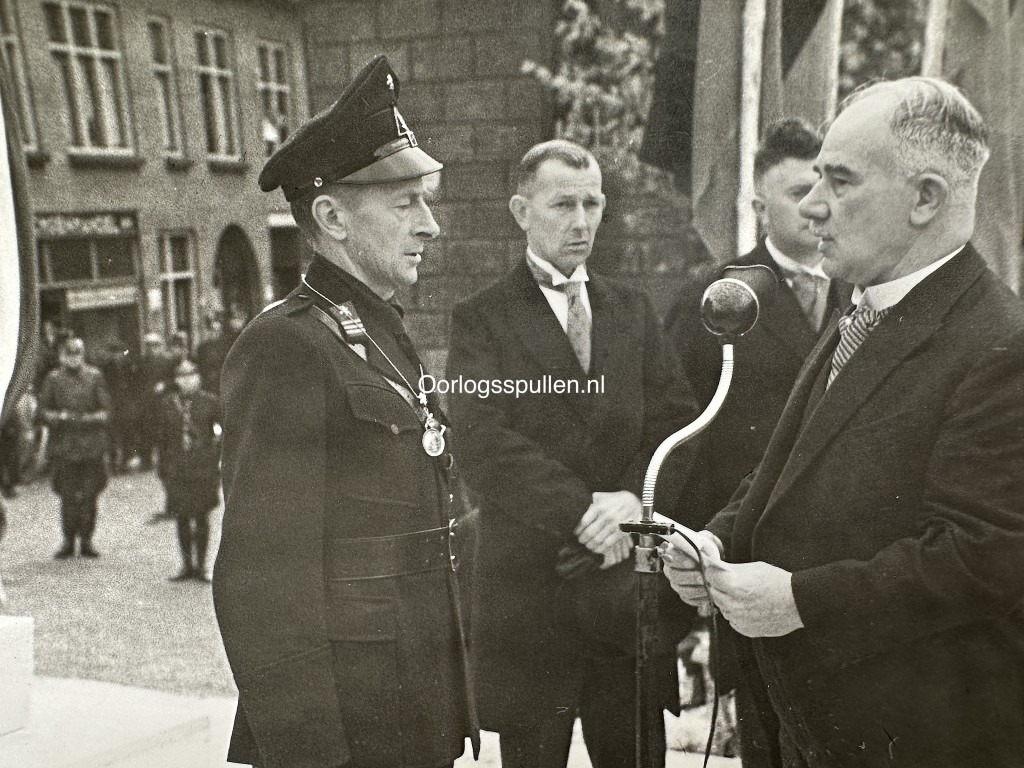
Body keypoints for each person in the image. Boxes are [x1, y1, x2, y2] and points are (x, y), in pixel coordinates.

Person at [663, 77, 1024, 767]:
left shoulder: (1000, 343)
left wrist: (802, 602)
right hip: (813, 727)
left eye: (840, 181)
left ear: (926, 198)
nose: (814, 206)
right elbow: (790, 465)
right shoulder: (865, 306)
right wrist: (713, 542)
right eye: (813, 180)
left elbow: (986, 559)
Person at [212, 55, 479, 768]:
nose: (431, 227)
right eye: (404, 205)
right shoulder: (286, 347)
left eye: (425, 202)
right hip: (348, 735)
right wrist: (311, 755)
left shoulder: (378, 329)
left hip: (414, 710)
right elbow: (261, 582)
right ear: (330, 216)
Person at [446, 139, 702, 768]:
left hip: (623, 600)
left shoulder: (633, 310)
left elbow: (678, 425)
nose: (582, 221)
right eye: (564, 204)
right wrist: (589, 514)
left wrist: (631, 506)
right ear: (521, 211)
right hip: (533, 597)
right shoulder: (482, 319)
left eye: (593, 203)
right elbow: (480, 438)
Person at [665, 120, 850, 765]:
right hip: (751, 558)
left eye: (826, 184)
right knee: (769, 737)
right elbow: (680, 436)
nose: (815, 205)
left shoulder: (868, 290)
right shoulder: (713, 299)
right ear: (757, 206)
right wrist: (693, 559)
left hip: (847, 566)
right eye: (797, 190)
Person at [38, 336, 112, 558]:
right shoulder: (53, 379)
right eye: (69, 354)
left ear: (83, 355)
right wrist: (59, 417)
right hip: (64, 446)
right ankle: (68, 540)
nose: (73, 359)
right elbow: (43, 411)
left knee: (90, 495)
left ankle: (87, 540)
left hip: (91, 446)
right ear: (62, 356)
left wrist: (88, 419)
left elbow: (106, 410)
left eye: (77, 354)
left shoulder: (94, 377)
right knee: (67, 496)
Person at [157, 358, 221, 583]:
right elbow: (162, 438)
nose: (187, 380)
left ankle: (202, 566)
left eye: (192, 375)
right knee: (182, 517)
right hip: (177, 468)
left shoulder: (210, 402)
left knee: (202, 516)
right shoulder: (168, 403)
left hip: (203, 467)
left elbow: (221, 432)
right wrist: (163, 468)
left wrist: (214, 454)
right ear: (176, 380)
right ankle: (186, 565)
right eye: (182, 377)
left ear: (199, 378)